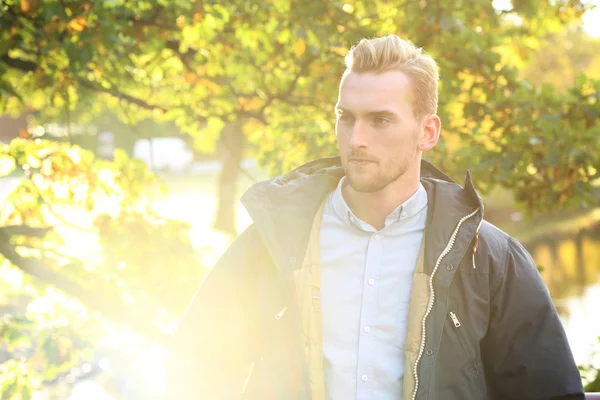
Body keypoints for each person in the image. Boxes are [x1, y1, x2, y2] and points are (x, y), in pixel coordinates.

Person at [166, 35, 584, 400]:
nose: (357, 139)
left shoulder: (488, 257)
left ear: (428, 132)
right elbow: (197, 367)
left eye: (380, 120)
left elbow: (548, 391)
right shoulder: (273, 243)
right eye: (345, 117)